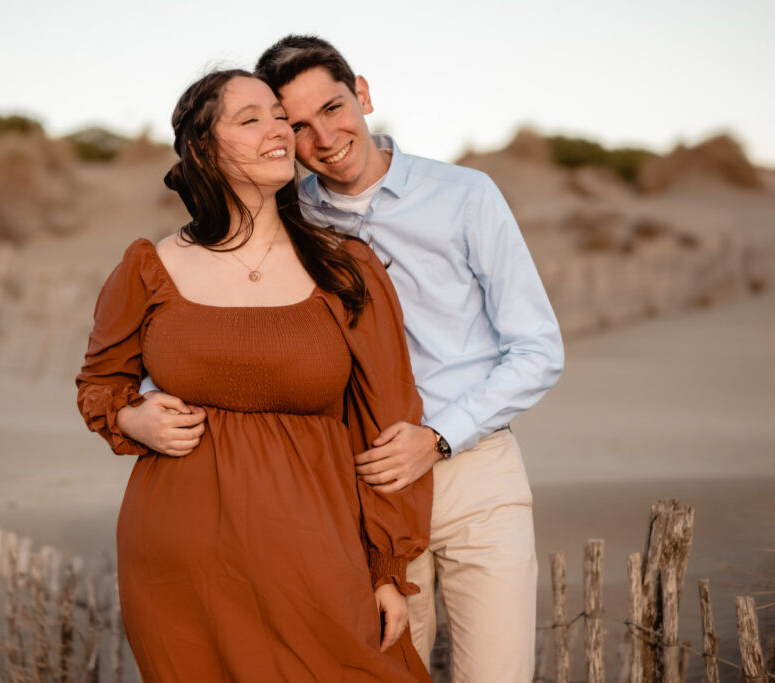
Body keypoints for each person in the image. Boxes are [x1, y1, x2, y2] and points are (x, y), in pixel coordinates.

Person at [143, 37, 566, 681]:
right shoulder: (287, 215)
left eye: (335, 108)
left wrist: (439, 438)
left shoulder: (465, 195)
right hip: (361, 491)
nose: (325, 137)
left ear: (362, 94)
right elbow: (217, 325)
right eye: (298, 124)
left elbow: (537, 348)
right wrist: (145, 396)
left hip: (475, 474)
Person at [76, 68, 433, 682]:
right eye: (252, 119)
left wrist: (385, 570)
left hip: (317, 552)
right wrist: (133, 418)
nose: (280, 131)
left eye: (279, 116)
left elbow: (389, 424)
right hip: (179, 560)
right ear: (204, 148)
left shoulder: (345, 266)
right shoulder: (149, 267)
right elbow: (99, 383)